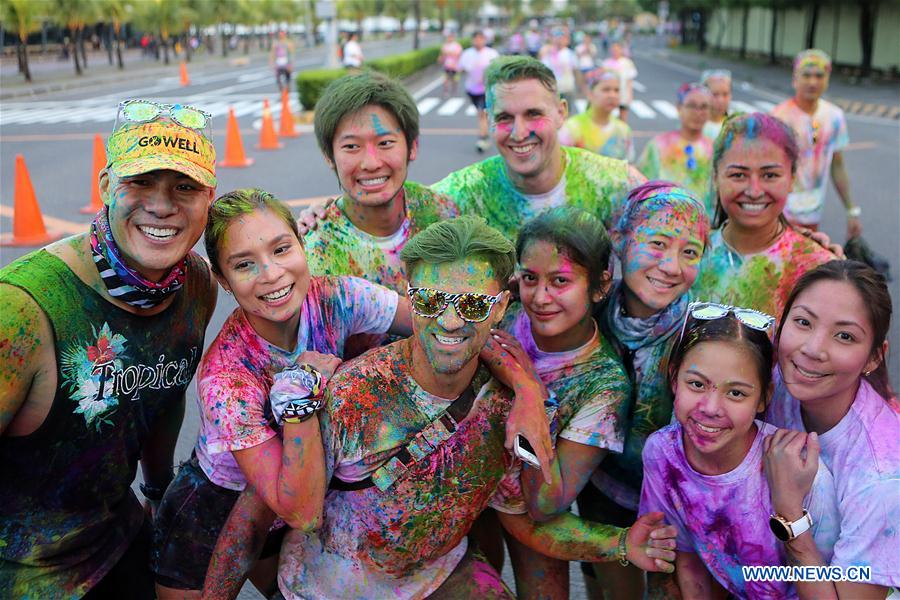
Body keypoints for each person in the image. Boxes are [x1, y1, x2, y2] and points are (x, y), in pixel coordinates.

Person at [202, 217, 678, 599]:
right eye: (432, 301)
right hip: (326, 586)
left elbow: (522, 519)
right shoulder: (354, 394)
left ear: (499, 309)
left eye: (471, 305)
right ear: (412, 298)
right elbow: (254, 516)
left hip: (440, 576)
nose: (450, 320)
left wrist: (619, 545)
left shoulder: (507, 412)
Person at [0, 99, 218, 598]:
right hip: (26, 573)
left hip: (117, 540)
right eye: (140, 182)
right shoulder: (22, 310)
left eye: (184, 187)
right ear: (105, 187)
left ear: (209, 198)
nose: (162, 206)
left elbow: (166, 388)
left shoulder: (195, 287)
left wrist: (162, 492)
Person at [150, 189, 415, 598]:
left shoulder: (337, 298)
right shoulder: (226, 378)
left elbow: (437, 325)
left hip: (290, 498)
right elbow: (302, 510)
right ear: (222, 280)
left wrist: (522, 385)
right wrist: (300, 385)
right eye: (244, 264)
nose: (271, 273)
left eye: (281, 249)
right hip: (211, 513)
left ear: (301, 243)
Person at [640, 303, 840, 598]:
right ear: (674, 379)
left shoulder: (801, 474)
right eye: (696, 384)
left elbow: (834, 579)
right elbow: (687, 554)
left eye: (736, 393)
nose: (710, 408)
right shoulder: (662, 454)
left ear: (763, 398)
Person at [494, 207, 632, 598]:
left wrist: (532, 396)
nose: (540, 297)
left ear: (600, 286)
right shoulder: (505, 315)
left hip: (529, 515)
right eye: (530, 279)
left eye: (560, 281)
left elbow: (544, 503)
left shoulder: (604, 386)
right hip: (471, 492)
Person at [583, 181, 710, 599]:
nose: (672, 266)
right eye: (657, 243)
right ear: (619, 240)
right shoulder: (587, 313)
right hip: (601, 489)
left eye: (689, 252)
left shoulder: (707, 334)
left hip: (677, 508)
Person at [764, 260, 899, 596]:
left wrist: (790, 513)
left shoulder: (882, 479)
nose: (812, 349)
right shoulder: (766, 381)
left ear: (873, 358)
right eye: (803, 322)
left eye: (844, 336)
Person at [432, 55, 646, 241]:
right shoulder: (460, 197)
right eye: (504, 117)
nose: (519, 133)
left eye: (533, 114)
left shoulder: (615, 185)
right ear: (488, 121)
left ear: (561, 113)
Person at [304, 72, 459, 298]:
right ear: (329, 156)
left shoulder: (443, 213)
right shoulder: (315, 252)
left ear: (412, 146)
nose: (371, 163)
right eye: (351, 147)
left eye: (385, 143)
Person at [692, 112, 837, 320]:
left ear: (792, 179)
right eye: (738, 175)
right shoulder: (690, 255)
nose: (754, 191)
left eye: (770, 175)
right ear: (716, 178)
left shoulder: (818, 268)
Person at [771, 50, 860, 238]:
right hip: (779, 214)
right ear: (795, 79)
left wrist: (851, 210)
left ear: (827, 79)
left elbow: (837, 165)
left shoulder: (834, 117)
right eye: (806, 75)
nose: (813, 82)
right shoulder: (778, 117)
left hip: (813, 212)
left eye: (819, 76)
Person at [637, 83, 714, 214]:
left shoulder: (715, 149)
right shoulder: (658, 145)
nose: (698, 112)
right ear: (679, 108)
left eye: (704, 107)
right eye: (692, 106)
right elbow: (642, 187)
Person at [559, 67, 634, 161]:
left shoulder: (624, 130)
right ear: (590, 93)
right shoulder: (571, 128)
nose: (612, 95)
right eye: (606, 90)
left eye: (616, 90)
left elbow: (628, 166)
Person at [458, 31, 500, 153]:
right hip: (471, 89)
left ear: (485, 40)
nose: (478, 41)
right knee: (481, 113)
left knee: (482, 113)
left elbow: (498, 70)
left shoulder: (491, 53)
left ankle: (482, 138)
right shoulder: (467, 54)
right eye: (475, 39)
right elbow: (460, 68)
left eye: (480, 39)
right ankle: (485, 134)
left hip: (487, 89)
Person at [539, 28, 580, 115]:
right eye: (556, 38)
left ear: (566, 40)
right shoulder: (547, 54)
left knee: (568, 112)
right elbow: (542, 71)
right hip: (553, 90)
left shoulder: (570, 54)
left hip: (568, 88)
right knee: (554, 113)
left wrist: (579, 87)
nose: (559, 40)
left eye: (562, 38)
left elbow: (576, 71)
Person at [601, 42, 638, 123]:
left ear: (621, 50)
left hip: (623, 94)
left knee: (623, 117)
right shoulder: (606, 63)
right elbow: (602, 82)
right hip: (609, 96)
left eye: (617, 49)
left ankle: (622, 135)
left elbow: (629, 81)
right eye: (613, 49)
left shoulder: (627, 63)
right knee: (609, 119)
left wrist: (630, 95)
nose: (615, 51)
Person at [701, 69, 732, 140]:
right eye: (715, 94)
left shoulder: (735, 126)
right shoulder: (695, 125)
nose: (721, 100)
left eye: (725, 94)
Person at [439, 31, 463, 98]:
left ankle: (454, 91)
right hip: (446, 66)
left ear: (453, 37)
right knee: (445, 80)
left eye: (450, 37)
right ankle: (446, 92)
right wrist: (441, 59)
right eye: (448, 37)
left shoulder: (457, 46)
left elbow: (458, 55)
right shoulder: (445, 46)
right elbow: (442, 55)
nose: (449, 38)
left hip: (455, 66)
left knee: (454, 80)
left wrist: (449, 53)